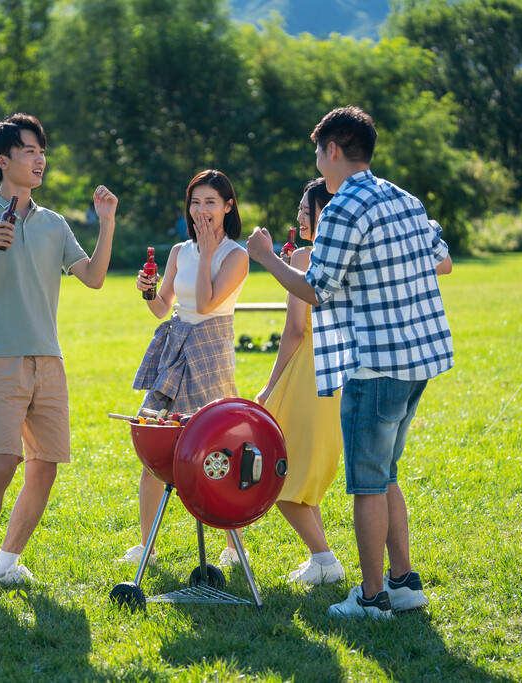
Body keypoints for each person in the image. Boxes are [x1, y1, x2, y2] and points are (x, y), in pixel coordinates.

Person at [247, 106, 453, 619]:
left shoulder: (341, 207)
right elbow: (440, 259)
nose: (318, 163)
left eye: (318, 152)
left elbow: (316, 290)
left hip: (373, 364)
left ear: (333, 150)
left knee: (366, 482)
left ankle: (371, 595)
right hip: (418, 359)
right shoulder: (405, 199)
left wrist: (268, 257)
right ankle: (403, 582)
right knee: (385, 474)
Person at [0, 113, 118, 600]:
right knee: (3, 462)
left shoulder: (53, 223)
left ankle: (8, 563)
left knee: (45, 465)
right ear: (3, 160)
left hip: (49, 359)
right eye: (29, 150)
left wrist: (106, 224)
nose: (40, 159)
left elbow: (94, 276)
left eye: (42, 151)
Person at [124, 169, 250, 567]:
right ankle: (147, 546)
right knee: (152, 439)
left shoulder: (236, 255)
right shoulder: (180, 251)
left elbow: (209, 302)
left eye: (211, 202)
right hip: (175, 348)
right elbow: (163, 307)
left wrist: (209, 251)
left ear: (228, 206)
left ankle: (233, 547)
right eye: (195, 202)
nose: (201, 210)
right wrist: (149, 289)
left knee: (218, 450)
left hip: (211, 351)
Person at [254, 178, 345, 587]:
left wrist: (270, 385)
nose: (299, 217)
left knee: (283, 477)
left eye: (306, 211)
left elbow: (294, 330)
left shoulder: (307, 257)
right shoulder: (346, 255)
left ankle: (324, 556)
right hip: (338, 373)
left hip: (306, 372)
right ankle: (321, 562)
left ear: (325, 211)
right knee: (305, 470)